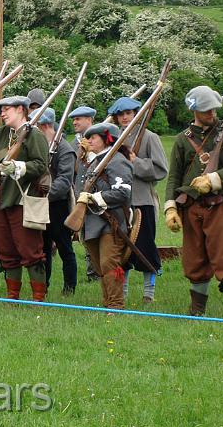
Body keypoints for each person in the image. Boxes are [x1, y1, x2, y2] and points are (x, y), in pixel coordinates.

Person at [164, 86, 223, 319]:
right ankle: (197, 310)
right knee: (194, 258)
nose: (211, 114)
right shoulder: (182, 139)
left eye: (213, 110)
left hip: (220, 203)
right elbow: (174, 177)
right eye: (206, 110)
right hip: (191, 206)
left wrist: (213, 179)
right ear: (194, 111)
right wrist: (170, 207)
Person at [0, 96, 50, 301]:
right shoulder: (4, 133)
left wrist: (18, 167)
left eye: (7, 109)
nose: (3, 113)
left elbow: (41, 165)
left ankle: (38, 298)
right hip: (1, 199)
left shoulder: (35, 135)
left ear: (21, 110)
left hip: (22, 199)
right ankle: (12, 297)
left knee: (30, 251)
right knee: (6, 251)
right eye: (1, 110)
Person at [107, 96, 168, 303]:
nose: (124, 117)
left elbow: (161, 169)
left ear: (136, 114)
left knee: (145, 248)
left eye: (128, 113)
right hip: (120, 203)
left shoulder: (150, 137)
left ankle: (148, 294)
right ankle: (121, 293)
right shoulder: (113, 140)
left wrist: (135, 162)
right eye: (120, 114)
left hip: (143, 201)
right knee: (121, 250)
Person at [76, 122, 133, 309]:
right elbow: (79, 186)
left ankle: (116, 305)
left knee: (109, 264)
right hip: (92, 222)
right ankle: (107, 302)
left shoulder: (117, 160)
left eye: (93, 137)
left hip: (111, 222)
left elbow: (123, 192)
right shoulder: (95, 161)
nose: (89, 140)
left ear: (106, 139)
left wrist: (94, 197)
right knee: (100, 266)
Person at [35, 107, 78, 295]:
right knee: (43, 249)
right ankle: (43, 286)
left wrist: (45, 195)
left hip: (57, 205)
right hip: (40, 204)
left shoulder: (64, 149)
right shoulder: (40, 145)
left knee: (64, 248)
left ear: (44, 125)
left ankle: (69, 288)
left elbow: (64, 181)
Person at [69, 105, 98, 281]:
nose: (75, 122)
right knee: (85, 235)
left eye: (79, 119)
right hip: (79, 195)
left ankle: (99, 272)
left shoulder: (100, 140)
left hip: (97, 196)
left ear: (90, 120)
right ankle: (91, 273)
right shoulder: (74, 143)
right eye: (74, 119)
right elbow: (72, 169)